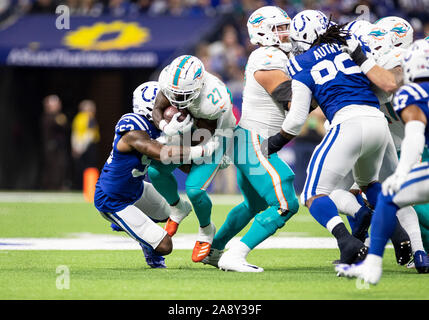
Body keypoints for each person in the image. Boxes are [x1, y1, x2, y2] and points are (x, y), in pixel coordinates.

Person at [265, 10, 400, 264]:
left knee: (311, 194)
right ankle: (403, 238)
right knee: (370, 184)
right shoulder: (349, 46)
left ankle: (346, 242)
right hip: (378, 122)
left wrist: (273, 143)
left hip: (346, 124)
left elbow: (295, 120)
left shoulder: (300, 62)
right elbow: (385, 90)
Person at [202, 6, 300, 272]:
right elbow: (293, 101)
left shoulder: (279, 54)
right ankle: (234, 256)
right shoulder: (268, 56)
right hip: (255, 140)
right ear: (263, 31)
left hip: (249, 140)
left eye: (286, 26)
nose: (286, 32)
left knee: (254, 204)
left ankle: (212, 250)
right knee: (285, 203)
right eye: (279, 27)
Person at [329, 18, 429, 269]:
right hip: (399, 137)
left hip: (383, 135)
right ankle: (415, 251)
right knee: (391, 195)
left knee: (341, 191)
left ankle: (363, 242)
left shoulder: (364, 66)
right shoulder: (404, 60)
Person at [93, 81, 219, 268]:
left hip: (136, 188)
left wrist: (213, 159)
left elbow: (180, 164)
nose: (171, 110)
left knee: (170, 213)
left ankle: (129, 223)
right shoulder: (132, 126)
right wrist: (200, 151)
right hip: (113, 198)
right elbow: (160, 152)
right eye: (165, 105)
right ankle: (140, 238)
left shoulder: (158, 129)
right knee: (165, 246)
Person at [149, 55, 237, 263]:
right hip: (186, 133)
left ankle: (206, 229)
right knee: (155, 171)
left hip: (215, 138)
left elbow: (212, 138)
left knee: (195, 189)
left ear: (198, 86)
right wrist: (165, 127)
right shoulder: (169, 81)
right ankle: (177, 207)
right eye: (174, 94)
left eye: (183, 95)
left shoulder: (212, 101)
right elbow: (157, 109)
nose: (177, 101)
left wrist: (210, 150)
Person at [40, 94, 70, 190]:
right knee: (52, 167)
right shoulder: (47, 117)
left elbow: (65, 127)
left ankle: (59, 185)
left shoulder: (59, 116)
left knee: (61, 165)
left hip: (59, 146)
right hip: (51, 146)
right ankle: (51, 186)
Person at [71, 99, 100, 190]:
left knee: (80, 167)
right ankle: (88, 188)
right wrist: (81, 148)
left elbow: (74, 134)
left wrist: (75, 147)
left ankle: (80, 187)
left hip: (78, 146)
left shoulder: (77, 117)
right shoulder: (89, 117)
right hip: (88, 146)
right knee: (89, 167)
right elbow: (89, 134)